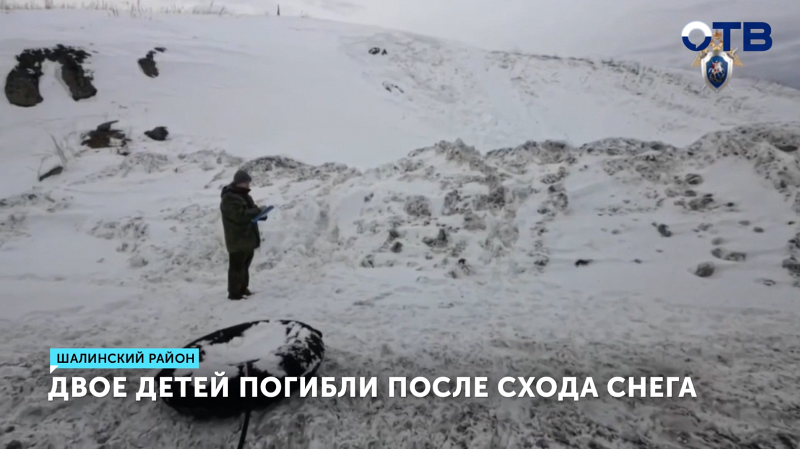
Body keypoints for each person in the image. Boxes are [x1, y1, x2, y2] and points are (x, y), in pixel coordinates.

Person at [220, 170, 267, 300]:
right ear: (238, 182)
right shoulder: (229, 198)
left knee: (245, 266)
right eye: (245, 183)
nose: (247, 185)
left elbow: (250, 211)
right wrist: (256, 211)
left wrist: (261, 214)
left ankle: (243, 288)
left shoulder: (245, 196)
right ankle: (234, 293)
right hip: (237, 238)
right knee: (237, 267)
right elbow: (238, 216)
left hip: (247, 238)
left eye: (248, 183)